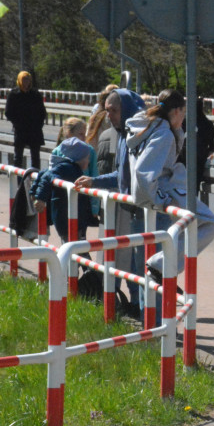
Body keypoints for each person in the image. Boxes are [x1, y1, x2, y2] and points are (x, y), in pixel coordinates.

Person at [124, 89, 214, 283]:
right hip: (165, 188)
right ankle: (160, 264)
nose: (184, 119)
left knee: (190, 225)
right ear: (176, 111)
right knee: (210, 223)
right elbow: (144, 171)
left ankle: (164, 265)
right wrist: (159, 199)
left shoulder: (146, 126)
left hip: (156, 188)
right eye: (183, 114)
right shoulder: (164, 133)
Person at [76, 88, 147, 317]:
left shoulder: (139, 134)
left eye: (114, 111)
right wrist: (94, 181)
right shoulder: (121, 134)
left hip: (146, 209)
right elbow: (121, 175)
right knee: (135, 262)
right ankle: (139, 308)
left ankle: (148, 314)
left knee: (143, 263)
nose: (109, 116)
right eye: (107, 111)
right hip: (132, 207)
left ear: (125, 109)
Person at [31, 137, 97, 243]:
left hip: (72, 216)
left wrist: (34, 191)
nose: (89, 161)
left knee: (72, 245)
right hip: (68, 216)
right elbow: (47, 176)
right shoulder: (67, 168)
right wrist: (40, 198)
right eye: (87, 158)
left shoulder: (69, 168)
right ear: (78, 158)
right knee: (75, 247)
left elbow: (43, 173)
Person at [4, 71, 47, 170]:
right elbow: (8, 112)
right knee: (18, 157)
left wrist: (39, 125)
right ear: (19, 80)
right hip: (20, 130)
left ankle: (35, 181)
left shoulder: (35, 94)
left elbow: (42, 112)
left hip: (34, 130)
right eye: (24, 79)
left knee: (35, 158)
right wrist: (18, 123)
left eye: (28, 79)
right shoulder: (14, 94)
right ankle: (19, 182)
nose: (26, 82)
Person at [86, 84, 119, 149]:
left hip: (92, 153)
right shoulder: (110, 118)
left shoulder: (95, 116)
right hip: (103, 154)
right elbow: (113, 146)